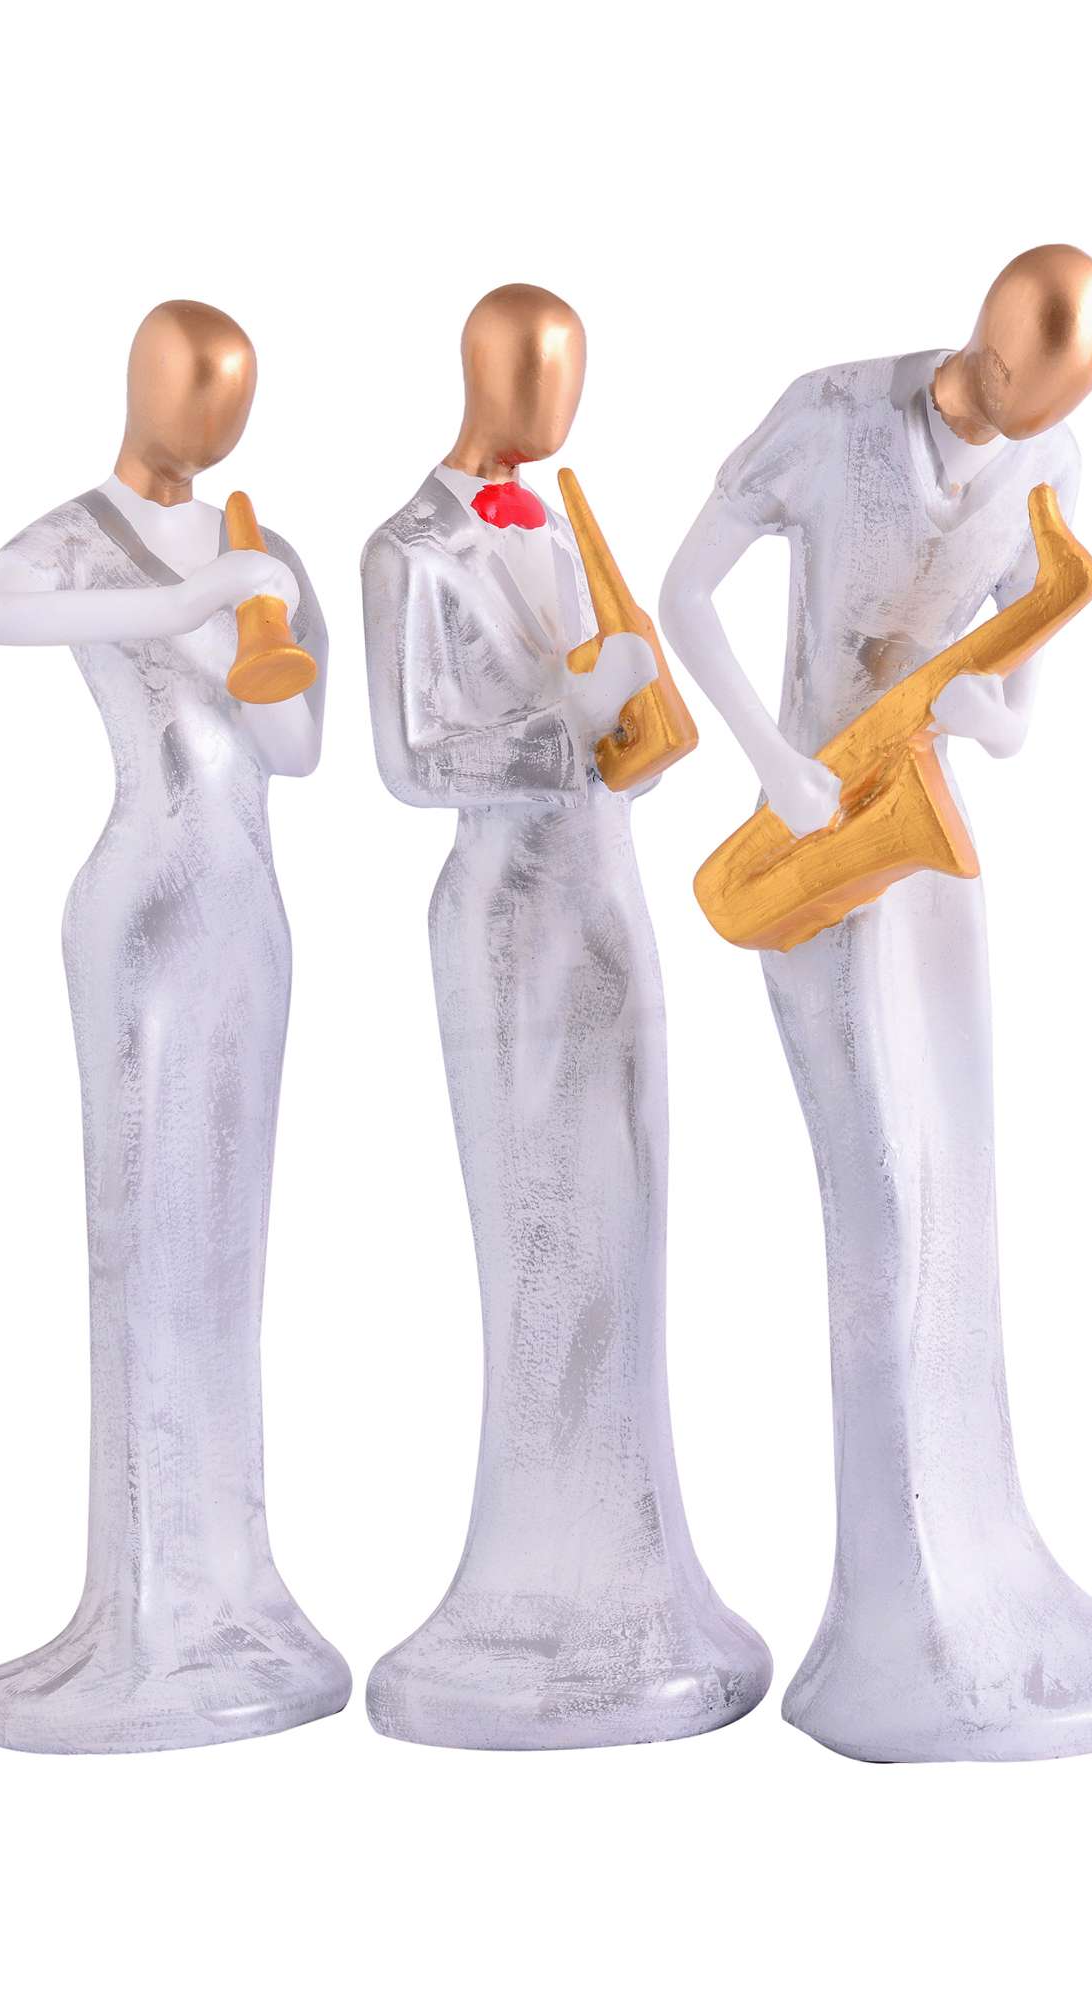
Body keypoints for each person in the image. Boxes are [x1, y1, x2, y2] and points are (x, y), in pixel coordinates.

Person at [660, 246, 1092, 1762]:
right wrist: (771, 763)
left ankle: (982, 1570)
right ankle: (897, 1616)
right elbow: (686, 591)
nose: (1039, 429)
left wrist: (981, 710)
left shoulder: (1051, 463)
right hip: (819, 832)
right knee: (885, 1201)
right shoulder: (828, 412)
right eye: (1028, 394)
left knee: (958, 1198)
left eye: (1065, 410)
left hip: (929, 846)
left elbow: (1018, 716)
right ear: (990, 352)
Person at [361, 283, 769, 1751]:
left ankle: (639, 1575)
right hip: (506, 921)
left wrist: (635, 729)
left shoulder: (564, 530)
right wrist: (574, 721)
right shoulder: (408, 552)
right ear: (488, 377)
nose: (561, 412)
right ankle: (533, 1579)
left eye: (574, 384)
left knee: (632, 1217)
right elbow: (414, 762)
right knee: (540, 1230)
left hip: (609, 898)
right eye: (542, 383)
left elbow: (613, 722)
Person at [0, 299, 348, 1752]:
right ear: (143, 391)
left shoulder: (267, 551)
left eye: (232, 406)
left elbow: (295, 750)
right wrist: (189, 604)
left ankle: (230, 1591)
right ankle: (138, 1609)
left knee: (229, 1247)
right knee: (142, 1243)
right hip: (141, 909)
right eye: (195, 398)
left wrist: (262, 620)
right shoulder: (81, 537)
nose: (212, 429)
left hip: (249, 909)